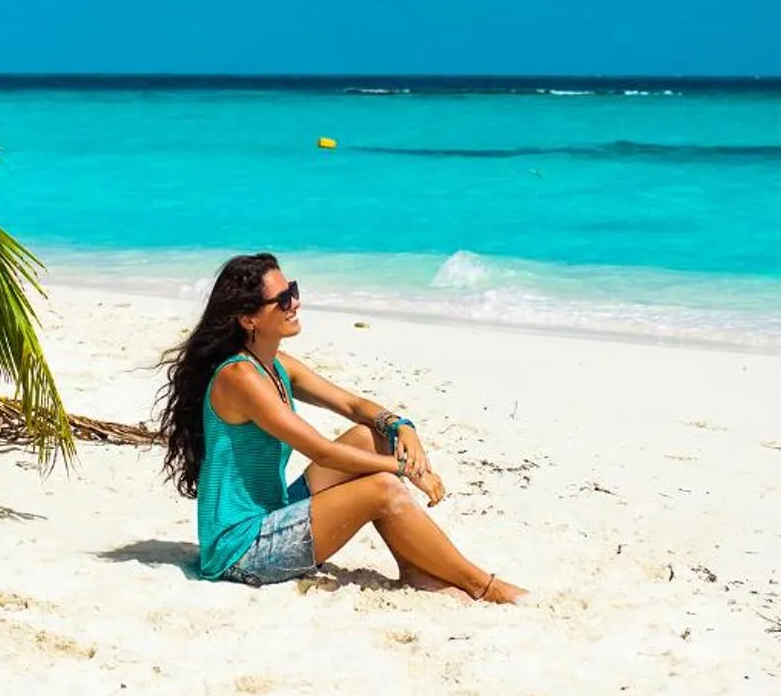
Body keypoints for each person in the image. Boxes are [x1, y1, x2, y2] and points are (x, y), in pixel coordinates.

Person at [156, 252, 525, 602]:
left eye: (292, 290)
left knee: (370, 436)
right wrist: (405, 469)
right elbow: (323, 452)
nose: (295, 303)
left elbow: (353, 406)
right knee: (383, 488)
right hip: (239, 550)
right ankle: (482, 585)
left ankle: (414, 569)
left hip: (274, 513)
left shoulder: (276, 365)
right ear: (248, 319)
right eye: (282, 299)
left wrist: (402, 427)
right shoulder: (239, 377)